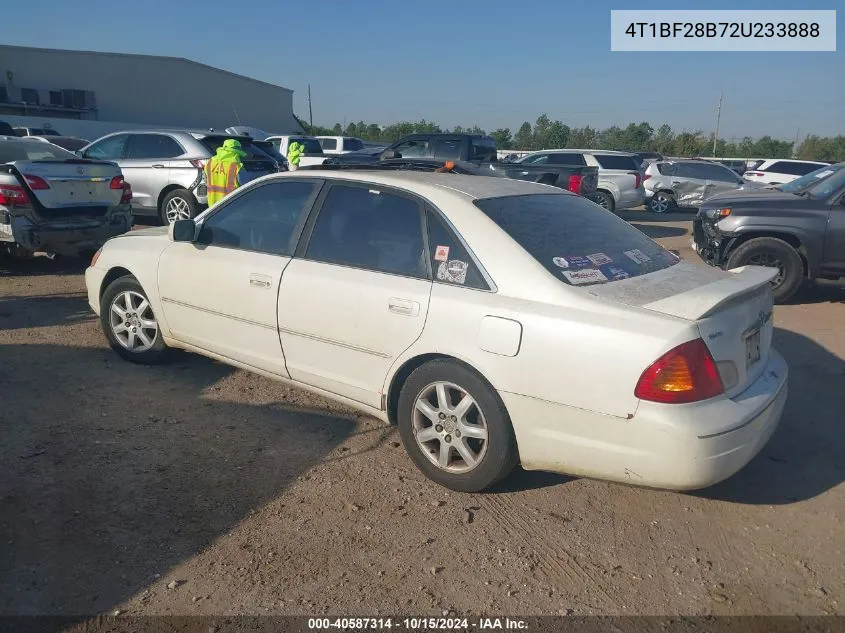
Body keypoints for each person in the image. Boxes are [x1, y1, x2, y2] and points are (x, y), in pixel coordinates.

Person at [203, 139, 246, 206]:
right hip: (231, 205)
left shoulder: (209, 163)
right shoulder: (237, 166)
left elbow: (206, 180)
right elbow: (245, 186)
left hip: (212, 205)